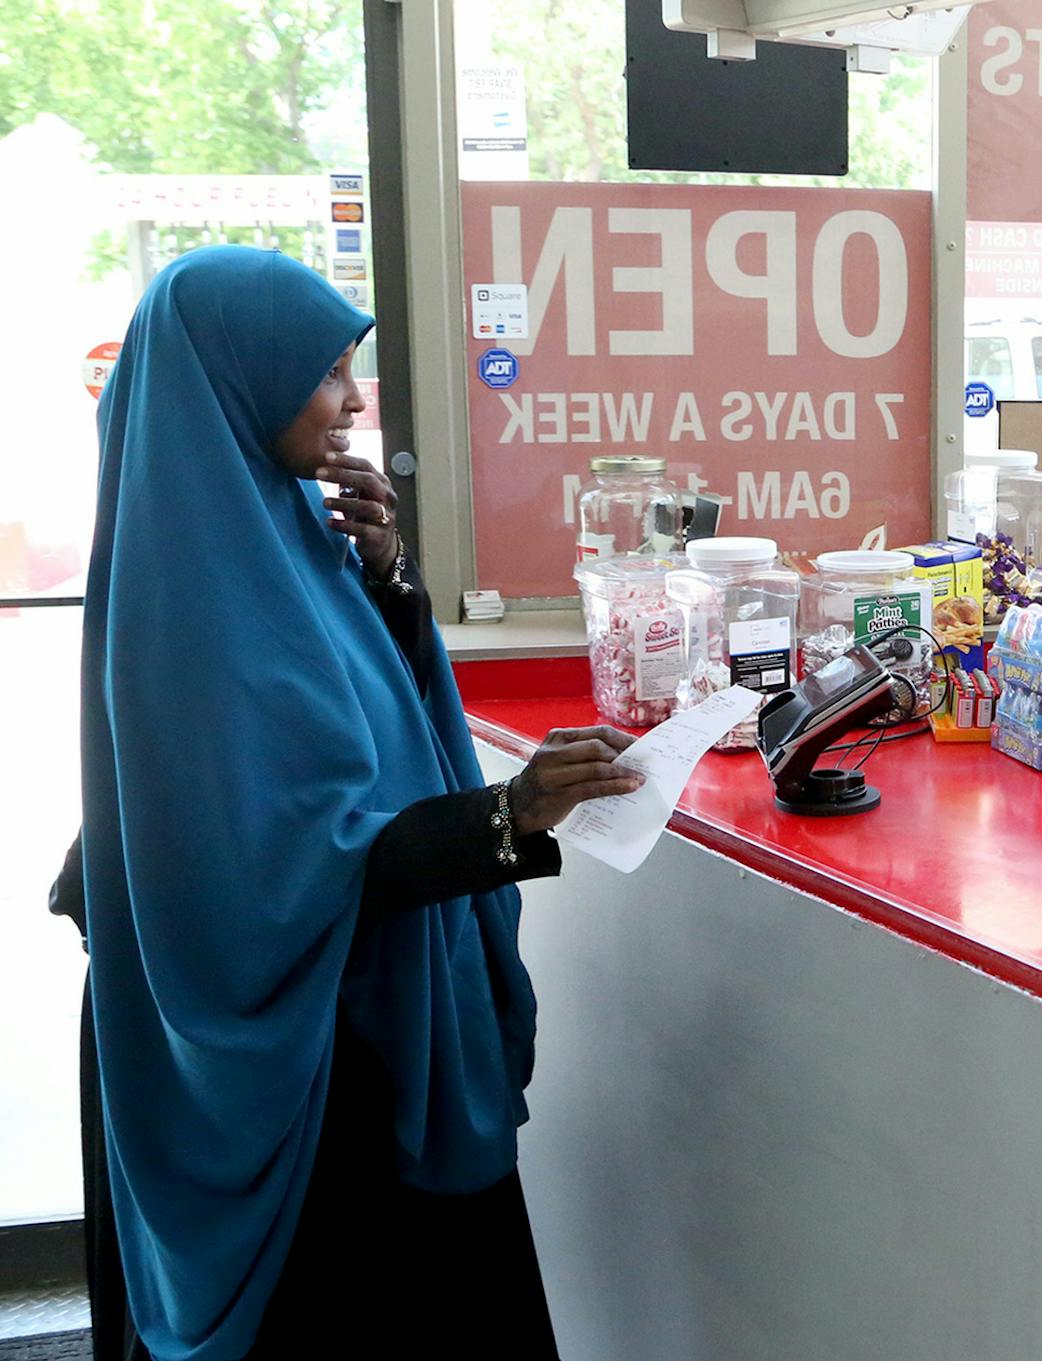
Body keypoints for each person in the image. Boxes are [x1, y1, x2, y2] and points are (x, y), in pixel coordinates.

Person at [56, 244, 645, 1360]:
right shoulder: (195, 604)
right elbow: (276, 868)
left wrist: (386, 582)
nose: (353, 400)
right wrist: (505, 815)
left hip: (351, 1018)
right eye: (326, 370)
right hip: (299, 1060)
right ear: (241, 378)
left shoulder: (275, 533)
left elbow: (362, 744)